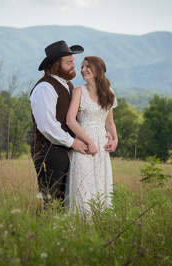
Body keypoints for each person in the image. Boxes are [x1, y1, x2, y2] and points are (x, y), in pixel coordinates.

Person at [30, 40, 89, 204]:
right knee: (53, 200)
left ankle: (62, 229)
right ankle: (46, 228)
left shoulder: (68, 85)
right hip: (49, 151)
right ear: (56, 65)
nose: (74, 66)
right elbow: (47, 126)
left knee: (66, 198)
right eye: (69, 63)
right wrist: (72, 142)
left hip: (63, 148)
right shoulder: (45, 87)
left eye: (73, 62)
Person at [65, 56, 118, 216]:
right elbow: (70, 120)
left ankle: (101, 223)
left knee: (101, 185)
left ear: (98, 69)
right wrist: (89, 142)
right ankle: (81, 226)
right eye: (82, 67)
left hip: (102, 147)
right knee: (83, 186)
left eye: (87, 66)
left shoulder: (109, 93)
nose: (83, 70)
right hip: (84, 146)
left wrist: (115, 139)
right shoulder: (79, 90)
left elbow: (109, 122)